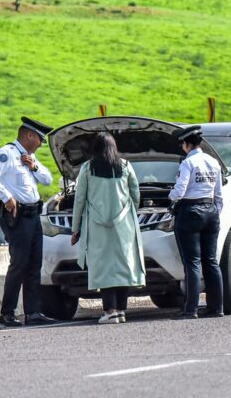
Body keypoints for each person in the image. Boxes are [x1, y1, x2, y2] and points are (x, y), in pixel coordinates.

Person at [0, 116, 57, 327]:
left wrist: (34, 167)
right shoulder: (7, 154)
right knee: (19, 265)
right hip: (18, 217)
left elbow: (48, 179)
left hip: (34, 216)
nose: (41, 144)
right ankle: (8, 313)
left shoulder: (28, 157)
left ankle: (33, 312)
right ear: (29, 135)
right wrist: (7, 197)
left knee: (34, 265)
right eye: (40, 139)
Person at [69, 132, 146, 325]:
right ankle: (120, 310)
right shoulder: (126, 166)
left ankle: (109, 310)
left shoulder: (87, 168)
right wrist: (129, 214)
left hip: (97, 226)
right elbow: (136, 194)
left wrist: (75, 227)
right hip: (124, 226)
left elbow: (79, 200)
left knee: (103, 267)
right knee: (123, 266)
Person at [168, 125, 225, 319]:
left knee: (192, 263)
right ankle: (217, 307)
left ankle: (191, 309)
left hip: (190, 212)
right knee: (211, 261)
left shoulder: (188, 163)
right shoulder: (213, 162)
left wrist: (171, 196)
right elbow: (219, 194)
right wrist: (216, 212)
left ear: (186, 144)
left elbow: (180, 190)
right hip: (211, 211)